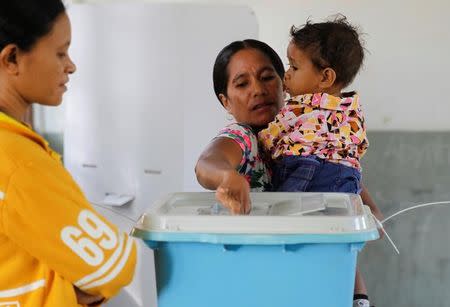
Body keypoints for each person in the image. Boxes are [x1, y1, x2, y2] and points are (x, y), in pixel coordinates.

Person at [195, 37, 382, 307]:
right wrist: (226, 176)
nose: (258, 90)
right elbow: (207, 163)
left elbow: (349, 180)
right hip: (270, 285)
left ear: (284, 81)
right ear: (226, 101)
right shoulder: (244, 138)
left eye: (267, 77)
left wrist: (368, 213)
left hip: (327, 283)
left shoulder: (309, 131)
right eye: (242, 83)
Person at [0, 1, 136, 306]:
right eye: (60, 52)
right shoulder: (18, 161)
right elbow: (113, 267)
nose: (70, 65)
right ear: (11, 58)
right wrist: (63, 287)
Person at [257, 16, 377, 307]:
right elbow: (355, 152)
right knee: (342, 247)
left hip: (307, 176)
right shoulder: (352, 108)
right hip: (347, 180)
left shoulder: (301, 106)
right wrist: (370, 204)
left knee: (286, 239)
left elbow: (270, 140)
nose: (286, 75)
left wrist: (258, 139)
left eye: (294, 67)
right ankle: (359, 299)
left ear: (325, 78)